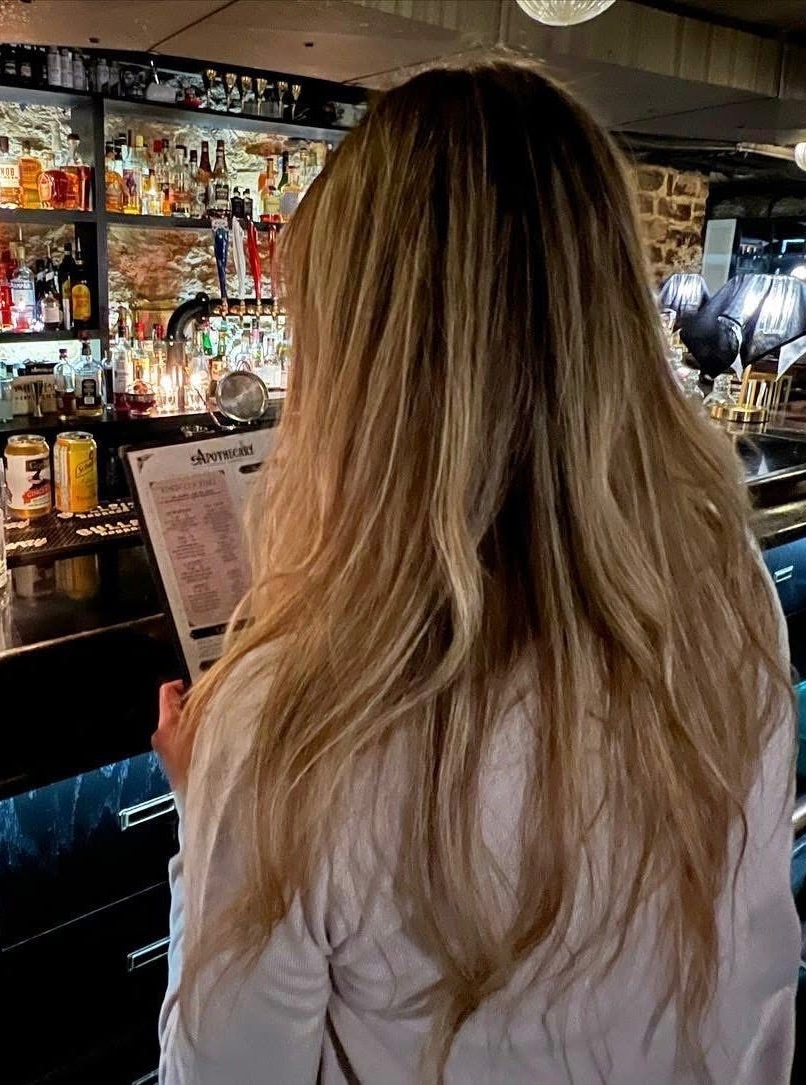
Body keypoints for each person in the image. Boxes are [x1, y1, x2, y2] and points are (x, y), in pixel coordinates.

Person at [152, 61, 798, 1083]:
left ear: (355, 359)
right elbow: (758, 982)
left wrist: (208, 812)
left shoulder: (286, 716)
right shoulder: (724, 594)